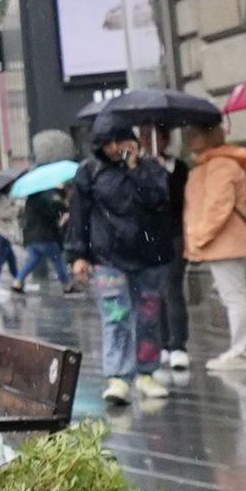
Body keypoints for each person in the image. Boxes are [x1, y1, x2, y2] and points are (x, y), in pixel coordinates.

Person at [78, 121, 182, 405]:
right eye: (107, 143)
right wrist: (77, 255)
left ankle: (146, 372)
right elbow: (81, 215)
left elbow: (158, 201)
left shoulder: (151, 169)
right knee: (116, 317)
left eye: (119, 141)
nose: (114, 148)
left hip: (148, 256)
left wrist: (135, 168)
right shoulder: (90, 172)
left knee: (149, 316)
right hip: (108, 256)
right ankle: (118, 378)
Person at [181, 121, 246, 369]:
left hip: (224, 241)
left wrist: (199, 237)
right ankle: (241, 350)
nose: (190, 139)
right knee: (232, 296)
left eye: (196, 134)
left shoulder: (220, 165)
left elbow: (218, 207)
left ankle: (243, 352)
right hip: (220, 242)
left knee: (234, 296)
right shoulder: (208, 165)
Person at [18, 179, 71, 292]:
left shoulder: (30, 200)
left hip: (31, 237)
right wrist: (61, 217)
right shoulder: (44, 200)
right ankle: (66, 285)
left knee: (32, 261)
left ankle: (17, 282)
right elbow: (50, 216)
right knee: (58, 260)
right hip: (44, 236)